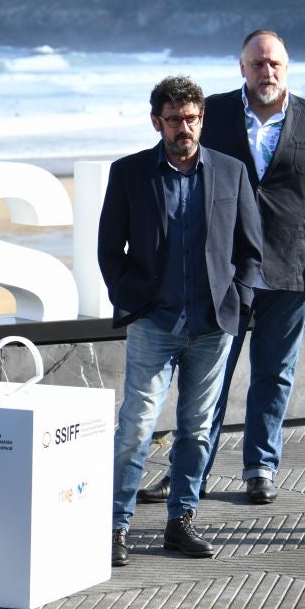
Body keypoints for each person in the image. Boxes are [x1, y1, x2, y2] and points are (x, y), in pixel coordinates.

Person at [138, 30, 305, 506]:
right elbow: (179, 177)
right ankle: (188, 473)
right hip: (223, 271)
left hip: (289, 269)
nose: (266, 72)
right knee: (209, 376)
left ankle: (260, 468)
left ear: (286, 67)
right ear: (242, 68)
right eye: (257, 64)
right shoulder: (212, 114)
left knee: (275, 374)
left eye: (274, 64)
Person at [99, 76, 262, 567]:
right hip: (154, 323)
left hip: (212, 326)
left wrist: (240, 299)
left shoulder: (232, 172)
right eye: (174, 120)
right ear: (157, 122)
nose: (184, 128)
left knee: (196, 429)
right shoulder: (129, 173)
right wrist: (134, 298)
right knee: (137, 425)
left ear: (202, 119)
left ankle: (180, 520)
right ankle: (114, 525)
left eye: (192, 119)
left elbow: (251, 250)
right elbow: (110, 251)